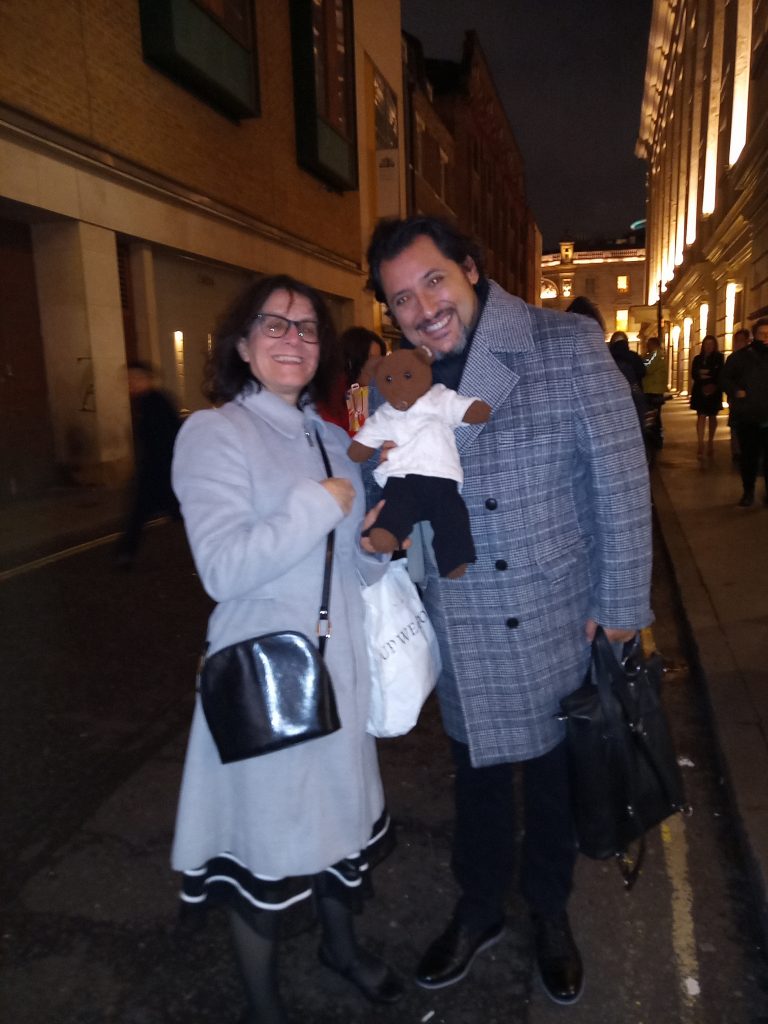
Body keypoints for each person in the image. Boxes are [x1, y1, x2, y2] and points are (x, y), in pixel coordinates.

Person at [364, 216, 652, 1006]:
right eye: (402, 298)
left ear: (470, 269)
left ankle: (551, 912)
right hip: (464, 619)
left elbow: (621, 486)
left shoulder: (563, 347)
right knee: (479, 779)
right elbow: (381, 487)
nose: (423, 307)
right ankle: (481, 905)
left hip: (558, 614)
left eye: (433, 281)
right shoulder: (402, 376)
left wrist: (621, 610)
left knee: (557, 780)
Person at [170, 275, 403, 1024]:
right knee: (265, 849)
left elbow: (351, 566)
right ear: (241, 345)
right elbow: (222, 568)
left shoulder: (334, 436)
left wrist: (380, 542)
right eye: (275, 325)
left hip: (340, 669)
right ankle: (264, 1006)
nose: (294, 339)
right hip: (267, 675)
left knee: (336, 831)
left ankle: (341, 947)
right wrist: (318, 503)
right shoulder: (214, 433)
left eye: (307, 328)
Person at [114, 361, 181, 567]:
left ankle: (125, 553)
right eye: (128, 379)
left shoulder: (158, 402)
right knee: (139, 513)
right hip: (156, 471)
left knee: (179, 512)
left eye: (135, 379)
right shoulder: (145, 402)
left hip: (162, 471)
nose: (130, 383)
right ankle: (125, 553)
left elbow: (169, 437)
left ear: (146, 378)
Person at [721, 318, 768, 507]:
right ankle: (748, 491)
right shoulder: (740, 358)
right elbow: (724, 378)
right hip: (748, 417)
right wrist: (735, 391)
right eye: (761, 334)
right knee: (749, 457)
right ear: (754, 335)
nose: (765, 338)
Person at [689, 335, 724, 461]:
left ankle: (710, 441)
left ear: (714, 345)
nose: (709, 346)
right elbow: (694, 373)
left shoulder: (719, 357)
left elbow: (719, 373)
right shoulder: (698, 358)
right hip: (700, 389)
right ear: (703, 345)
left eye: (711, 344)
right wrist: (703, 375)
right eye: (706, 344)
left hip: (714, 390)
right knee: (701, 415)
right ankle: (700, 443)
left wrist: (706, 375)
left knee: (713, 416)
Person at [608, 331, 649, 438]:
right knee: (638, 424)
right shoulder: (633, 356)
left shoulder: (608, 357)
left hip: (613, 396)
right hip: (634, 393)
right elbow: (642, 372)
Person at [724, 328, 751, 463]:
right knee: (735, 426)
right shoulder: (732, 359)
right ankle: (737, 453)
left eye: (742, 341)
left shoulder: (754, 358)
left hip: (752, 401)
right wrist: (735, 390)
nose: (739, 344)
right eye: (737, 341)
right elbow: (725, 379)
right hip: (737, 400)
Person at [642, 336, 668, 451]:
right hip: (654, 389)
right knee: (656, 416)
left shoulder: (655, 355)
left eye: (648, 344)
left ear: (653, 345)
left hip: (653, 390)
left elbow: (646, 368)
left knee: (654, 417)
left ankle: (657, 440)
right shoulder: (656, 355)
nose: (647, 346)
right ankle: (657, 438)